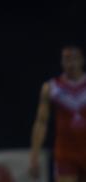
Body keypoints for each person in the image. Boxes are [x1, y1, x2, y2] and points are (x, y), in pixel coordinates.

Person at [29, 45, 86, 182]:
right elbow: (41, 123)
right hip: (65, 153)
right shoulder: (51, 88)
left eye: (74, 59)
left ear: (82, 61)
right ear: (61, 62)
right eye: (67, 60)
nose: (71, 64)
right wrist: (34, 156)